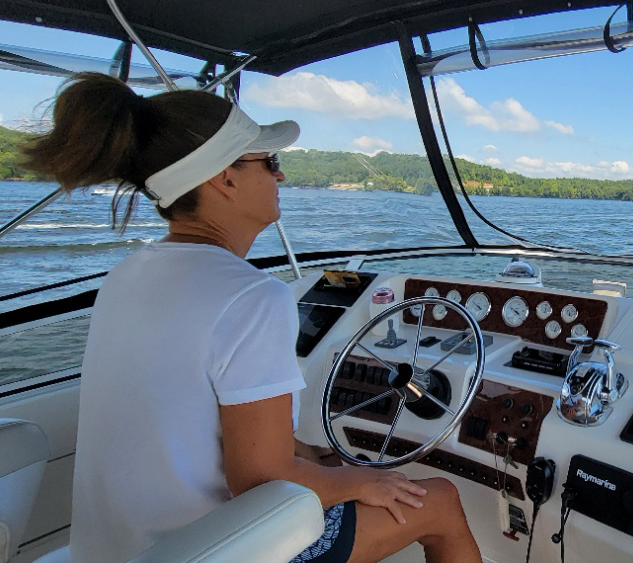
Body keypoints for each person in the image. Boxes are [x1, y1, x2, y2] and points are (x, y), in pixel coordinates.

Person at [21, 73, 481, 563]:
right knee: (440, 503)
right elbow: (262, 481)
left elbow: (207, 429)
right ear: (225, 177)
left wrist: (313, 457)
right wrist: (359, 479)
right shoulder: (252, 297)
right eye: (270, 162)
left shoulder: (125, 276)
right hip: (205, 550)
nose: (279, 176)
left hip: (112, 551)